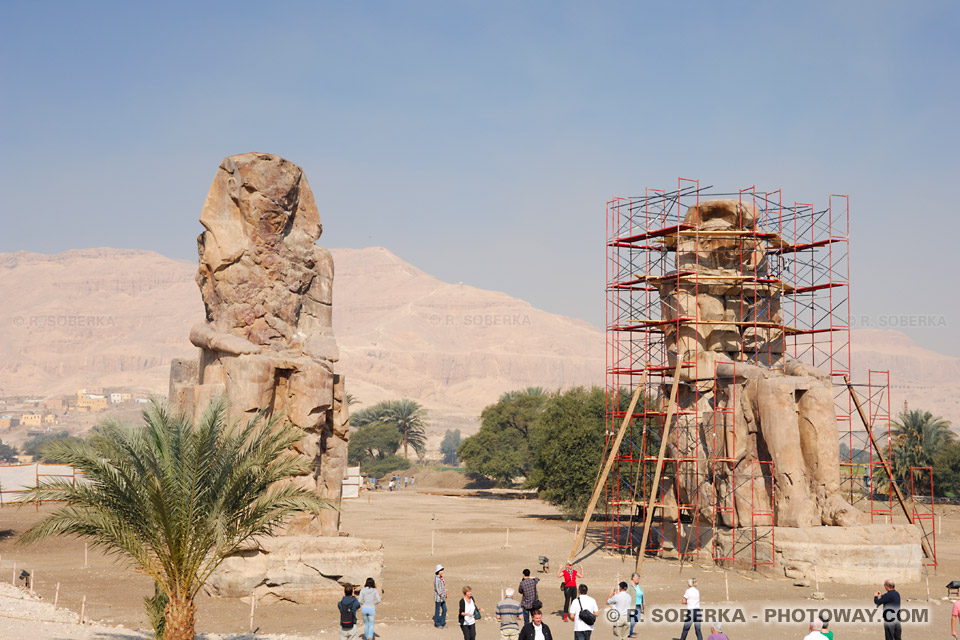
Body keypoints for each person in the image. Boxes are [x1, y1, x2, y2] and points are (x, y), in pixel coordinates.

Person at [628, 572, 644, 638]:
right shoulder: (629, 585)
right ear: (633, 578)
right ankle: (630, 632)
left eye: (639, 578)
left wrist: (644, 603)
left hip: (638, 604)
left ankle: (629, 631)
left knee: (637, 618)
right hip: (631, 604)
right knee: (631, 619)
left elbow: (641, 594)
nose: (638, 579)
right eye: (637, 578)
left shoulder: (638, 585)